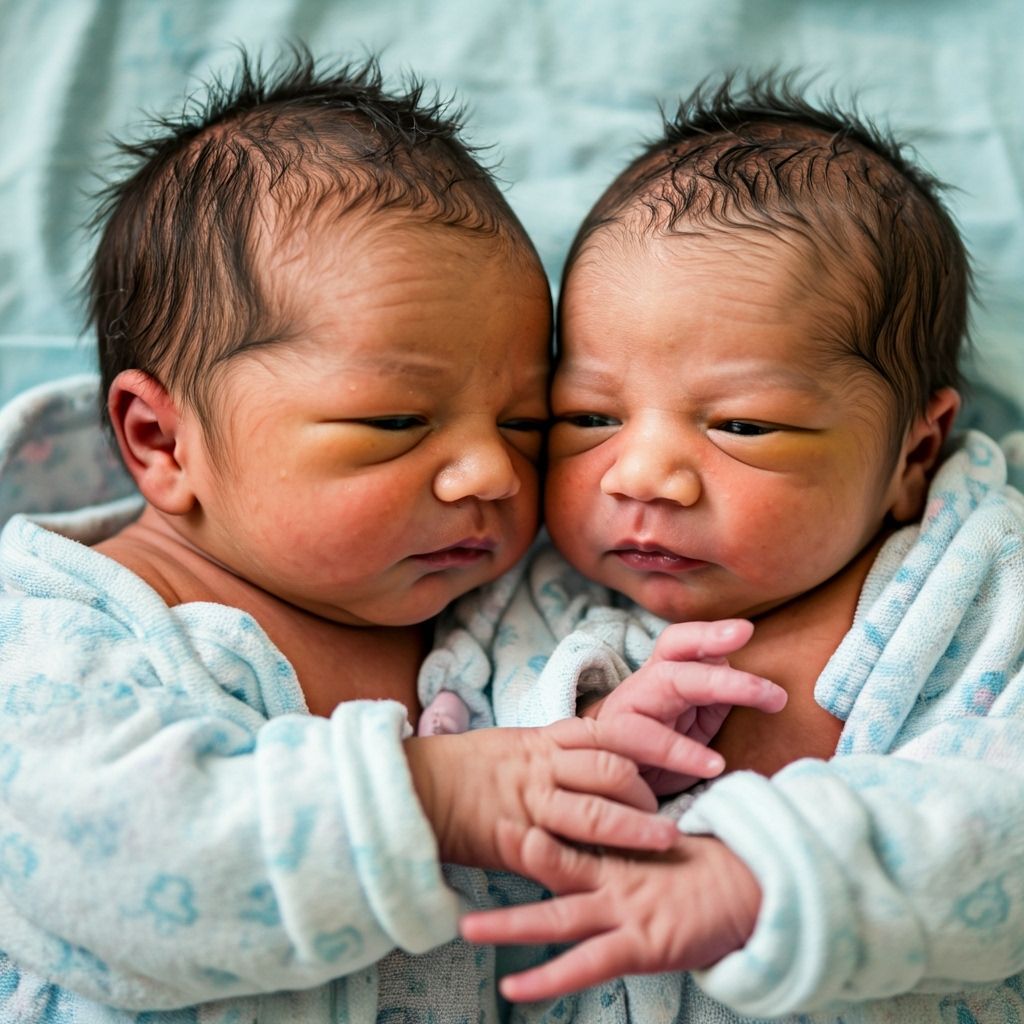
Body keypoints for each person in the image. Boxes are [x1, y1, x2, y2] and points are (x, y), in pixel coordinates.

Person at [0, 53, 787, 1023]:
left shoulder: (498, 622)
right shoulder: (50, 628)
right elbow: (102, 863)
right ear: (164, 442)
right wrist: (428, 797)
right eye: (396, 423)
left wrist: (618, 743)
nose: (494, 474)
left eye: (524, 425)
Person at [418, 75, 1024, 1021]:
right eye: (586, 415)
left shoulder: (980, 587)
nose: (644, 476)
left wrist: (769, 878)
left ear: (914, 451)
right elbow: (459, 783)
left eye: (742, 425)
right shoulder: (525, 601)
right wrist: (580, 726)